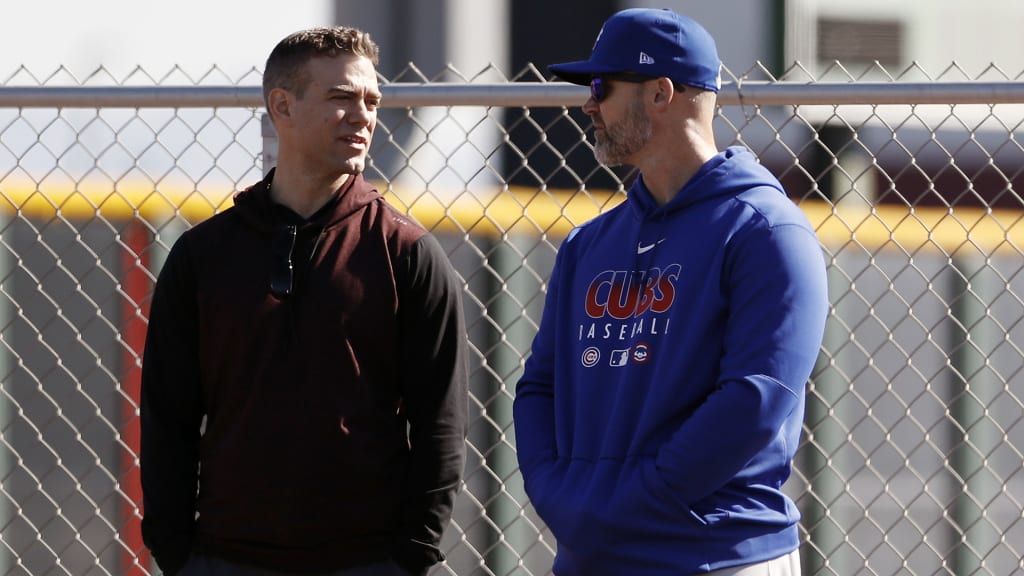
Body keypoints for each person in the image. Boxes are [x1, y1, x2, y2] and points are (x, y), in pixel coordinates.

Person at [140, 26, 468, 576]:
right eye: (341, 98)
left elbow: (441, 423)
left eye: (372, 101)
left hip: (367, 561)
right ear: (282, 107)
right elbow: (168, 416)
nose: (363, 116)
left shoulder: (407, 252)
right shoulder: (203, 256)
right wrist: (178, 554)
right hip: (223, 558)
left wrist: (410, 554)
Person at [513, 8, 828, 576]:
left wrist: (629, 500)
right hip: (593, 553)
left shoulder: (765, 230)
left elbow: (755, 399)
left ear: (661, 93)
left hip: (715, 554)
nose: (589, 103)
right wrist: (557, 493)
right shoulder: (590, 243)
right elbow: (540, 385)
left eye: (603, 86)